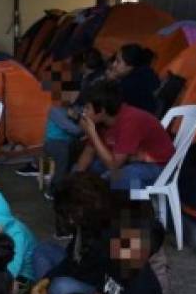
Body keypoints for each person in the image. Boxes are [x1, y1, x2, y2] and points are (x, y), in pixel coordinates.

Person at [27, 172, 112, 294]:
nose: (70, 221)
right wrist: (41, 284)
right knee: (42, 250)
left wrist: (51, 281)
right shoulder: (84, 221)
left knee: (60, 287)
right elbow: (70, 260)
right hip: (79, 271)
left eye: (71, 214)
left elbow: (105, 277)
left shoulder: (108, 231)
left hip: (97, 286)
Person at [15, 49, 106, 194]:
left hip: (58, 143)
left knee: (53, 165)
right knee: (60, 169)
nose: (74, 95)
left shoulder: (68, 107)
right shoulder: (56, 110)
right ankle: (53, 191)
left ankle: (45, 182)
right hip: (57, 144)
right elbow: (74, 130)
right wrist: (86, 126)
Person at [75, 80, 175, 191]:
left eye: (87, 108)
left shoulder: (130, 121)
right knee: (92, 168)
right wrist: (74, 182)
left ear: (101, 111)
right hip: (129, 161)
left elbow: (113, 166)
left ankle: (138, 205)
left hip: (159, 167)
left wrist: (92, 133)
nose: (84, 112)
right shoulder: (101, 121)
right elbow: (88, 152)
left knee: (122, 177)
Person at [107, 43, 161, 115]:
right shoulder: (145, 72)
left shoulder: (127, 86)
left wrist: (109, 82)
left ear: (130, 66)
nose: (114, 65)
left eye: (118, 61)